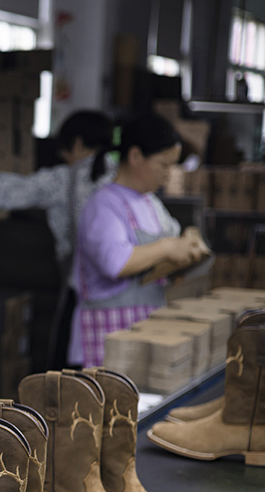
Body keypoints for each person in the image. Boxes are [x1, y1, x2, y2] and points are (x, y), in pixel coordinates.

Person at [0, 110, 115, 366]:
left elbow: (9, 189)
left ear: (77, 143)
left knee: (72, 369)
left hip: (83, 291)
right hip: (126, 296)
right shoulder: (123, 177)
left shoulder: (64, 180)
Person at [72, 112, 210, 368]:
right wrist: (167, 247)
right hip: (108, 337)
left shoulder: (151, 202)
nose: (169, 174)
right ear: (135, 156)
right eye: (164, 165)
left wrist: (189, 245)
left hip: (145, 330)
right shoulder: (103, 205)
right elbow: (115, 263)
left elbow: (173, 245)